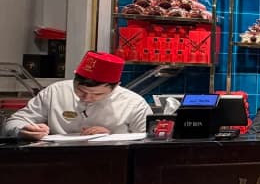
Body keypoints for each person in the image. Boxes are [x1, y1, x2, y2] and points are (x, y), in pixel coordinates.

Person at [3, 51, 150, 139]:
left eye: (97, 94)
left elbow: (151, 143)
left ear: (116, 86)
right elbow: (12, 122)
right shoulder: (56, 92)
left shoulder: (134, 104)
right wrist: (23, 130)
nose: (86, 98)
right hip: (58, 162)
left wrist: (114, 138)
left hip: (113, 165)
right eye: (80, 91)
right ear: (74, 78)